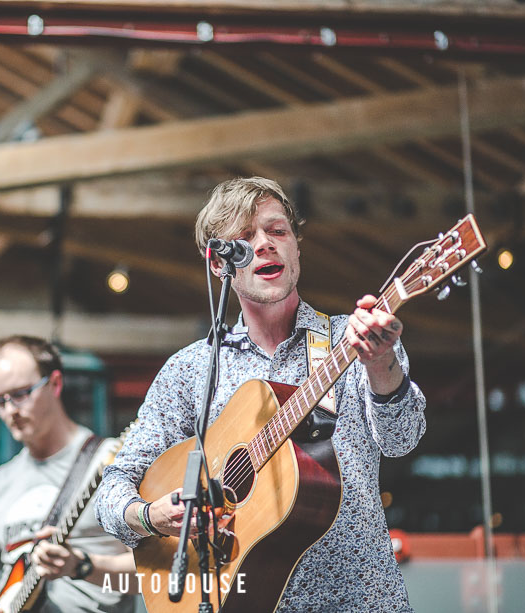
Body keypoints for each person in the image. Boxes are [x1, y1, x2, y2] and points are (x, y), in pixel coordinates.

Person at [94, 177, 426, 612]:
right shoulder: (191, 369)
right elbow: (112, 491)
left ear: (296, 247)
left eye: (277, 231)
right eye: (245, 238)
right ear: (219, 264)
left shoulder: (354, 338)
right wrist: (151, 516)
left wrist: (382, 364)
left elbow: (402, 441)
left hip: (359, 600)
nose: (266, 244)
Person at [0, 335, 136, 613]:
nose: (11, 411)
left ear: (55, 384)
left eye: (21, 394)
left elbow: (151, 575)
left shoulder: (113, 462)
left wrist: (83, 566)